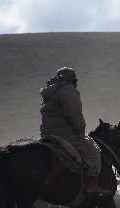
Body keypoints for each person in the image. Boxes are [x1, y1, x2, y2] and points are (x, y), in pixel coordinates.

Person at [39, 67, 109, 195]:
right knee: (93, 152)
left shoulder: (49, 93)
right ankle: (91, 185)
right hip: (66, 135)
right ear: (72, 79)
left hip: (46, 134)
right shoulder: (68, 90)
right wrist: (81, 131)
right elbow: (74, 114)